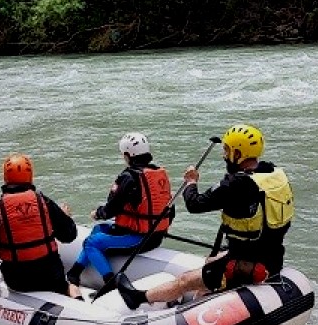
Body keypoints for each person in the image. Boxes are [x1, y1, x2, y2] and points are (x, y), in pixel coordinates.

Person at [117, 124, 293, 309]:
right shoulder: (274, 175)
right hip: (272, 257)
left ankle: (138, 297)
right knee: (210, 261)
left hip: (248, 265)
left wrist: (191, 182)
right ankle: (199, 304)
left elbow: (195, 204)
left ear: (238, 154)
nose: (224, 155)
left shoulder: (237, 184)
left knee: (184, 281)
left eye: (227, 150)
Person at [66, 132, 174, 289]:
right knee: (98, 229)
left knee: (90, 243)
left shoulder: (129, 177)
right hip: (156, 236)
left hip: (139, 239)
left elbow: (112, 207)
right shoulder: (160, 175)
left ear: (128, 155)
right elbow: (171, 209)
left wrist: (98, 213)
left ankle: (110, 283)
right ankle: (75, 273)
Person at [0, 153, 81, 298]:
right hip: (51, 277)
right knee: (69, 286)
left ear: (6, 178)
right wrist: (64, 216)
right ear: (30, 176)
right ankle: (77, 299)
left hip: (18, 280)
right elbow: (69, 235)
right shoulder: (44, 202)